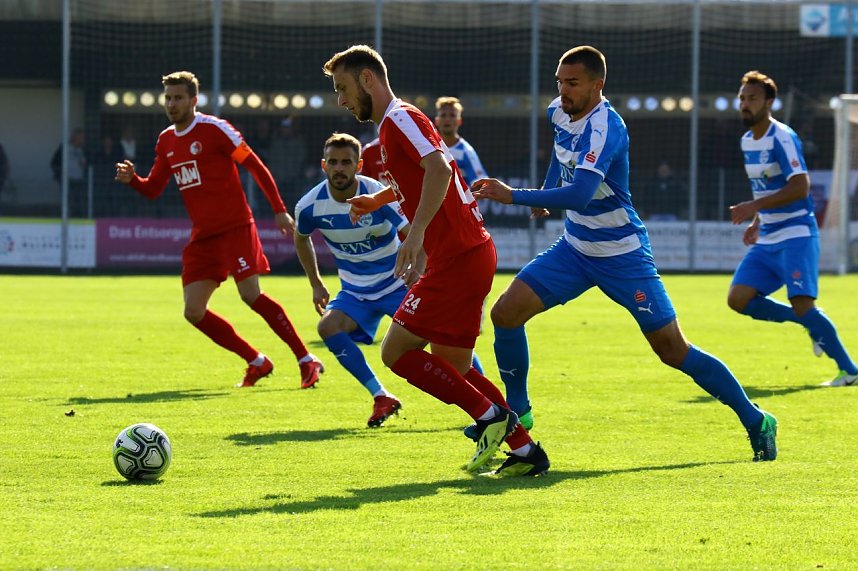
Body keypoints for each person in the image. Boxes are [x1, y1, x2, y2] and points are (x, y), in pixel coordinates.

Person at [471, 46, 778, 462]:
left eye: (573, 83)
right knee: (505, 314)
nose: (563, 90)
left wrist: (516, 196)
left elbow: (580, 195)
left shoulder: (607, 128)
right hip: (575, 250)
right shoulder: (558, 112)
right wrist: (544, 193)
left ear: (598, 85)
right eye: (560, 81)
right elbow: (562, 159)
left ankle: (756, 419)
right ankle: (519, 409)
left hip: (623, 256)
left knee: (673, 350)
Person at [324, 44, 548, 476]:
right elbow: (422, 177)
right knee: (454, 365)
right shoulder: (392, 128)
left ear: (368, 79)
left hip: (458, 256)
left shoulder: (400, 119)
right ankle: (525, 452)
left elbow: (442, 171)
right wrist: (378, 199)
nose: (342, 100)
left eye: (344, 88)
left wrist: (419, 234)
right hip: (466, 254)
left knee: (395, 352)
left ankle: (491, 419)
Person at [115, 71, 323, 389]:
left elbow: (254, 164)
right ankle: (257, 361)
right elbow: (154, 188)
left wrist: (279, 209)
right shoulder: (166, 140)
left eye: (178, 97)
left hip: (235, 226)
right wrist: (134, 181)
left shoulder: (214, 129)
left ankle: (306, 359)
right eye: (168, 98)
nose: (171, 103)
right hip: (203, 236)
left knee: (251, 295)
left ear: (193, 100)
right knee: (194, 311)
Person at [728, 70, 857, 387]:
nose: (745, 104)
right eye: (742, 98)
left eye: (752, 98)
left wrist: (752, 208)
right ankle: (809, 324)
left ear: (769, 102)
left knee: (803, 303)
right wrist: (757, 222)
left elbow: (800, 186)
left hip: (796, 234)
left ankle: (850, 371)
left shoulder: (782, 137)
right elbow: (765, 188)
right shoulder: (747, 141)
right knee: (738, 299)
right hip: (768, 235)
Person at [294, 133, 407, 427]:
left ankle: (488, 400)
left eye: (346, 162)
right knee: (328, 327)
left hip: (398, 285)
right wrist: (316, 283)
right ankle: (381, 396)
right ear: (323, 165)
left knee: (440, 337)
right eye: (333, 162)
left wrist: (421, 267)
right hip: (355, 291)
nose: (339, 168)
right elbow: (301, 237)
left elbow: (410, 231)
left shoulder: (378, 194)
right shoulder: (311, 206)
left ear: (358, 165)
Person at [434, 96, 488, 186]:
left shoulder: (466, 151)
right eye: (443, 115)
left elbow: (481, 184)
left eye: (452, 115)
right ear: (437, 121)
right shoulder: (430, 147)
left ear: (459, 121)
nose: (447, 119)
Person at [51, 128, 88, 217]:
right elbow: (53, 162)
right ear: (75, 137)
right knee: (68, 200)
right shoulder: (64, 148)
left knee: (79, 201)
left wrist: (84, 164)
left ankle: (79, 218)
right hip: (67, 179)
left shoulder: (82, 150)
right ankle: (66, 217)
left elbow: (87, 165)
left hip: (79, 179)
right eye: (81, 137)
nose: (83, 140)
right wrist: (60, 175)